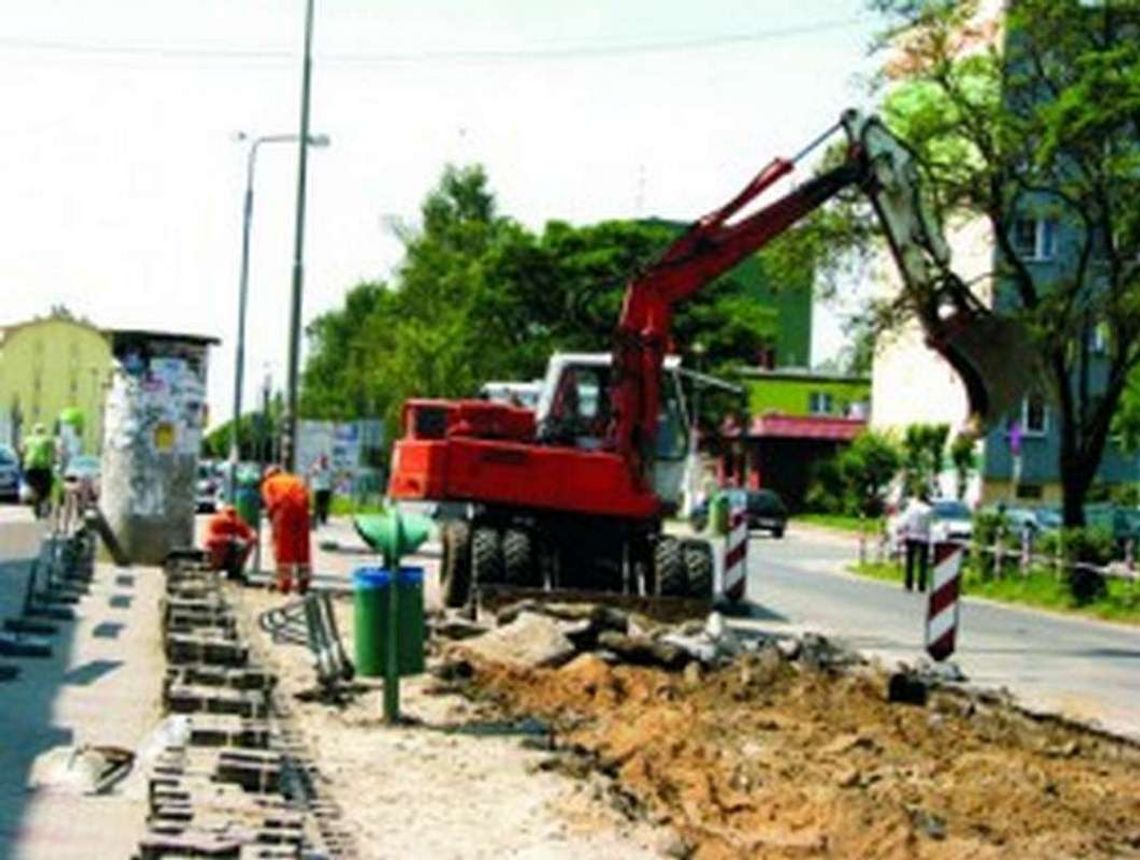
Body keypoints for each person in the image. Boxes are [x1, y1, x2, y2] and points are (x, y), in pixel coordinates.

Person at [261, 465, 312, 595]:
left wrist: (273, 523)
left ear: (268, 475)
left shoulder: (269, 483)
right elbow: (306, 498)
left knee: (284, 550)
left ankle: (284, 585)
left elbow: (271, 504)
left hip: (284, 512)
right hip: (302, 512)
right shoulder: (295, 480)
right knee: (302, 549)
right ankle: (303, 584)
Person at [204, 505, 256, 582]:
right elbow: (209, 540)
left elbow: (250, 535)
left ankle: (235, 572)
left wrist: (249, 539)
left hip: (229, 552)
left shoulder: (237, 522)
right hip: (217, 552)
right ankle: (214, 571)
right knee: (216, 548)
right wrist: (228, 539)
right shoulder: (216, 522)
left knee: (243, 545)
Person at [20, 423, 55, 519]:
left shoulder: (28, 439)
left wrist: (23, 461)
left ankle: (36, 503)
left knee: (33, 487)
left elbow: (22, 451)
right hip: (44, 467)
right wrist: (53, 462)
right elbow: (53, 453)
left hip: (30, 467)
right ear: (44, 431)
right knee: (46, 488)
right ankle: (44, 504)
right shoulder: (48, 440)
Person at [903, 491, 933, 592]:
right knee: (923, 562)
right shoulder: (929, 510)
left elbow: (905, 521)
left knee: (910, 561)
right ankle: (921, 584)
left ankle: (909, 583)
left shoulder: (911, 508)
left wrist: (903, 530)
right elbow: (931, 524)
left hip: (911, 534)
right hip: (924, 536)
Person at [308, 454, 333, 527]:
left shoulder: (329, 468)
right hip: (317, 488)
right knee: (316, 505)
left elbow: (331, 478)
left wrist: (332, 486)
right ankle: (314, 520)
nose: (323, 461)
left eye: (325, 460)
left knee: (325, 505)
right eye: (322, 460)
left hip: (326, 488)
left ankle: (323, 519)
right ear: (319, 460)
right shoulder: (316, 468)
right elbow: (311, 474)